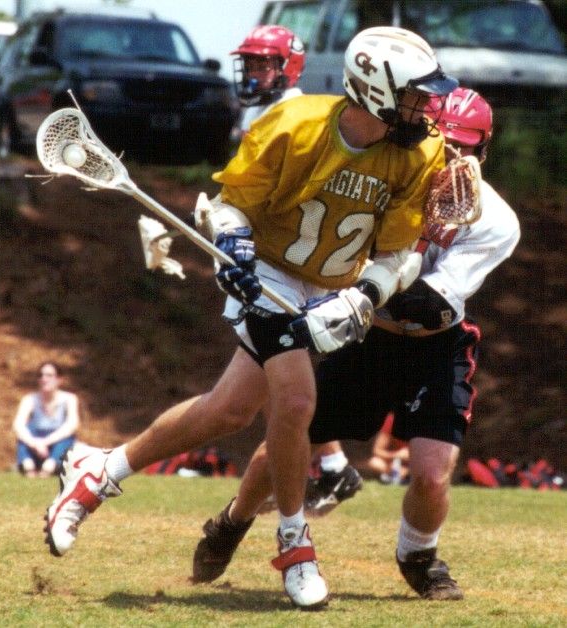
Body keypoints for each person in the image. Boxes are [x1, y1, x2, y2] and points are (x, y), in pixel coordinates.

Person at [44, 26, 457, 609]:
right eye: (415, 95)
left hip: (332, 285)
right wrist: (233, 246)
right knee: (297, 402)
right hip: (269, 272)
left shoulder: (420, 152)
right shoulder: (294, 125)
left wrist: (363, 295)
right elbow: (231, 204)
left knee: (229, 410)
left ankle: (99, 471)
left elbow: (399, 253)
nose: (427, 107)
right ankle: (295, 544)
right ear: (375, 90)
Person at [191, 87, 520, 602]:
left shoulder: (496, 221)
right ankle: (233, 521)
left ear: (484, 151)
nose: (452, 161)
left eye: (465, 150)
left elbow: (430, 302)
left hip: (436, 344)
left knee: (433, 474)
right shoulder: (391, 177)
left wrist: (357, 294)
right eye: (445, 146)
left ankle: (419, 557)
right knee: (290, 439)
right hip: (370, 338)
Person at [233, 24, 364, 517]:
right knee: (274, 379)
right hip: (259, 256)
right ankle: (332, 465)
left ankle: (329, 467)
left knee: (263, 386)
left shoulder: (294, 114)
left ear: (288, 67)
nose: (253, 72)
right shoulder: (258, 112)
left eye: (263, 64)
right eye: (249, 63)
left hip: (286, 262)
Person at [13, 361, 80, 478]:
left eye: (49, 375)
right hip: (36, 444)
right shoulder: (29, 399)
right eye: (41, 375)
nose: (44, 379)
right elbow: (18, 425)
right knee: (27, 431)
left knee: (68, 437)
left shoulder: (69, 399)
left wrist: (45, 442)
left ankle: (50, 467)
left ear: (59, 379)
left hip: (57, 443)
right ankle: (28, 466)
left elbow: (72, 425)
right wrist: (35, 443)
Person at [360, 412, 410, 484]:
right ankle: (394, 476)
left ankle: (403, 476)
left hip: (416, 465)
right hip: (394, 464)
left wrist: (408, 470)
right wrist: (397, 455)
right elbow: (377, 450)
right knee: (374, 462)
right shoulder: (391, 420)